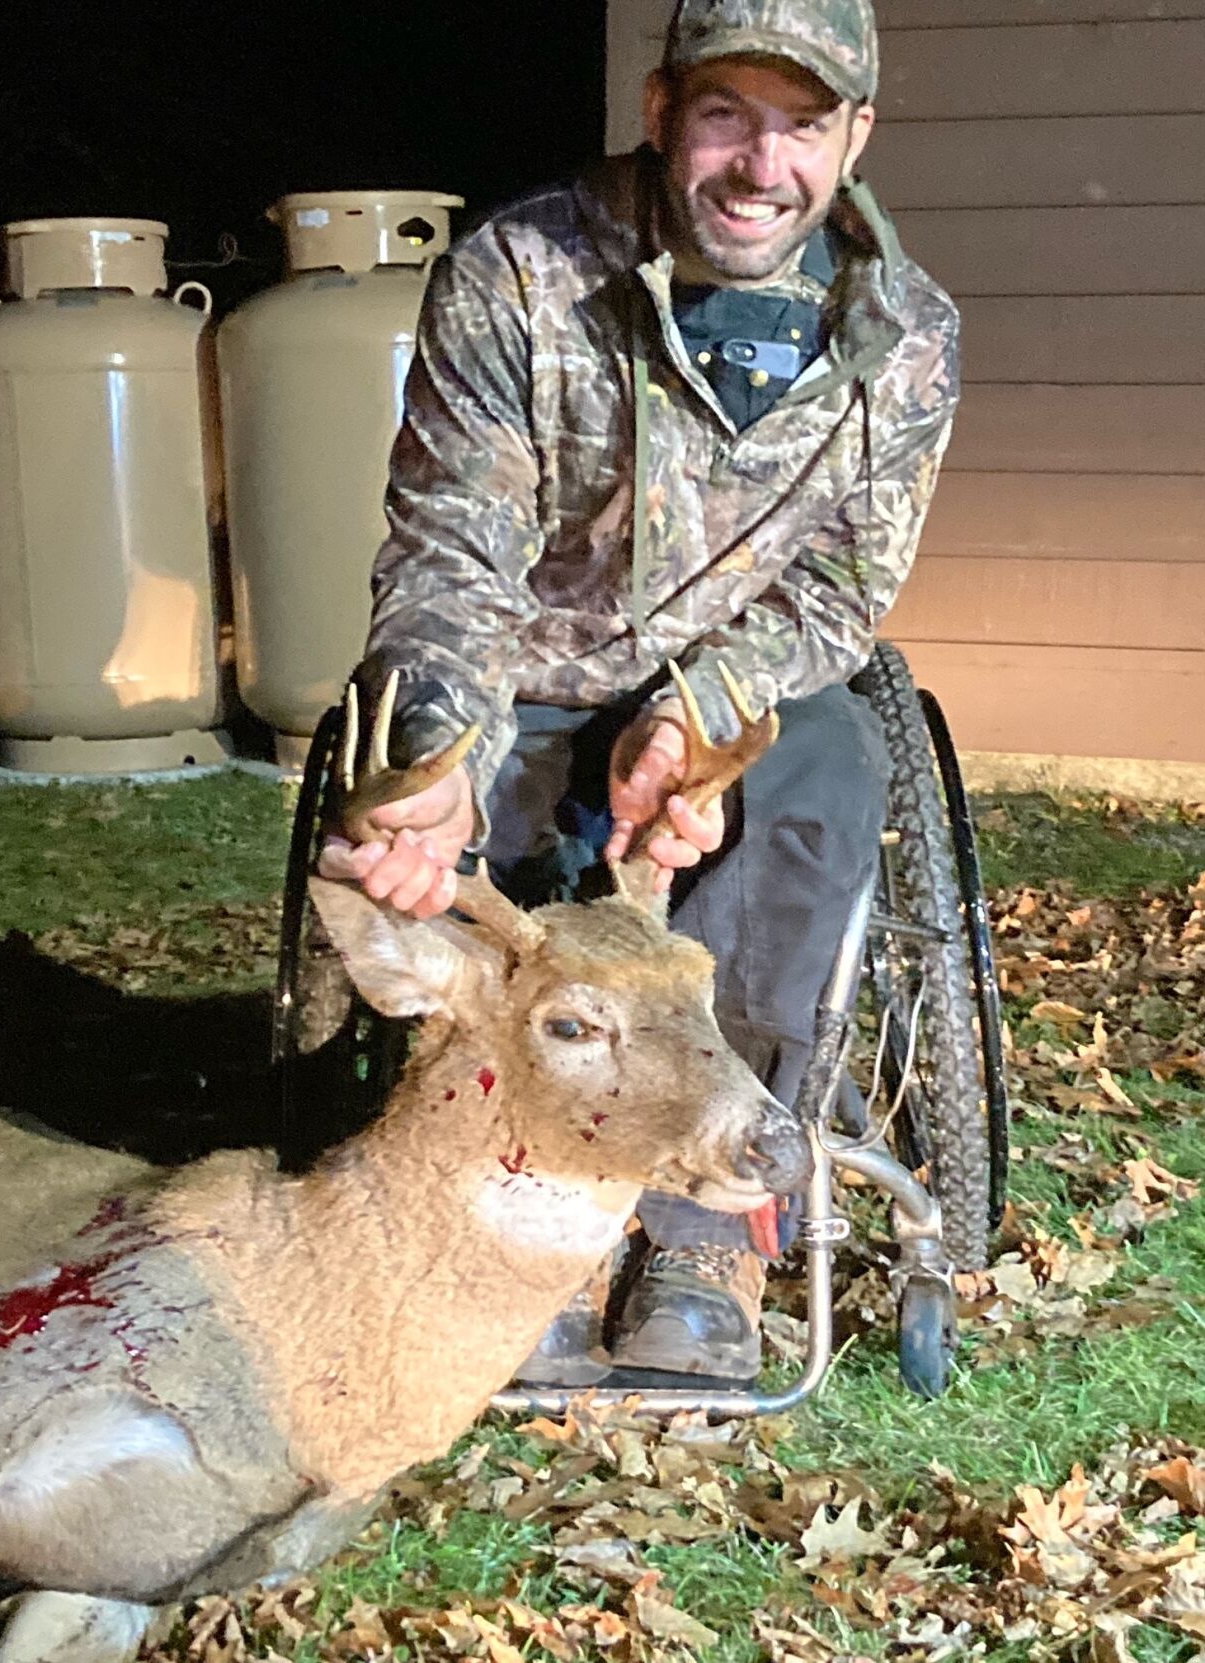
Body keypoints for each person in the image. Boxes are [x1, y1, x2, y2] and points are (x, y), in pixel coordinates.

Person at [325, 0, 961, 1386]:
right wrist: (437, 748)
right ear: (664, 111)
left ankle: (698, 1225)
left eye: (803, 124)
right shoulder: (522, 270)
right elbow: (452, 542)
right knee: (480, 829)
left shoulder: (904, 334)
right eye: (728, 113)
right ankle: (526, 1206)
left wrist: (694, 712)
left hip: (741, 704)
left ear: (856, 137)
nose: (761, 163)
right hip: (529, 675)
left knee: (815, 798)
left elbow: (846, 590)